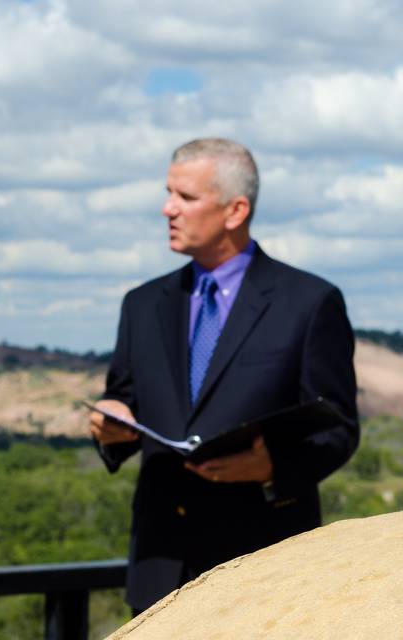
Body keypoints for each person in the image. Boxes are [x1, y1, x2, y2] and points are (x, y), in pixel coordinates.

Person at [89, 138, 359, 614]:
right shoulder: (142, 304)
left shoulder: (309, 302)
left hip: (265, 569)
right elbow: (124, 399)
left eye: (185, 197)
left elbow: (338, 428)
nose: (166, 208)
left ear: (235, 211)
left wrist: (274, 469)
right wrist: (110, 423)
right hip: (160, 569)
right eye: (169, 193)